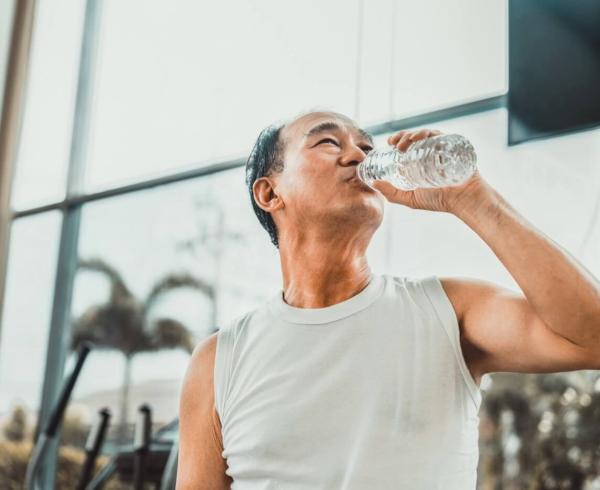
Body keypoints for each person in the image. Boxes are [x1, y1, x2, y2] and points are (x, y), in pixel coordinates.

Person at [176, 110, 600, 489]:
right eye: (328, 142)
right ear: (269, 193)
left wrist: (474, 200)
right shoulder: (218, 361)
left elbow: (592, 337)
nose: (358, 156)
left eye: (365, 146)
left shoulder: (448, 311)